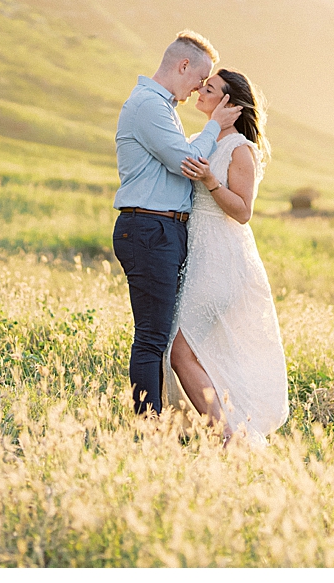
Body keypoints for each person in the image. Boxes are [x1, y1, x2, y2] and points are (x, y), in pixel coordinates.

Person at [112, 31, 242, 417]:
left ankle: (160, 422)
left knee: (158, 337)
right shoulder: (148, 106)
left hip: (159, 230)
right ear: (183, 65)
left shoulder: (161, 107)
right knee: (152, 339)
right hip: (149, 229)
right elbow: (186, 162)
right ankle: (147, 428)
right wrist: (215, 125)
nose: (197, 91)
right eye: (199, 80)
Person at [166, 69, 289, 445]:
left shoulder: (239, 149)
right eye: (203, 86)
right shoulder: (200, 140)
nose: (201, 92)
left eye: (211, 89)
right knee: (197, 351)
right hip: (196, 256)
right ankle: (216, 432)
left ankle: (227, 438)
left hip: (222, 259)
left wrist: (210, 181)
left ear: (231, 106)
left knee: (180, 353)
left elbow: (242, 210)